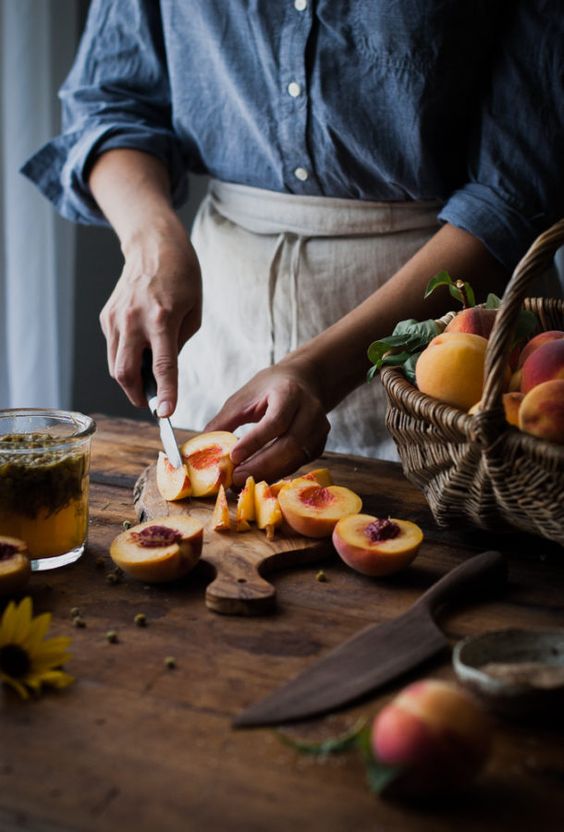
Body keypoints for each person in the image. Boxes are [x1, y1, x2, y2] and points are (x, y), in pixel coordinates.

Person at [23, 1, 563, 486]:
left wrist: (320, 370)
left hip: (443, 332)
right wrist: (152, 244)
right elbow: (111, 104)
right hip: (228, 325)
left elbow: (513, 194)